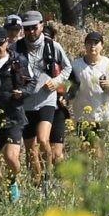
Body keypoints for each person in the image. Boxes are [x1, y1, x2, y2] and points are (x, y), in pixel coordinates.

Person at [16, 10, 71, 184]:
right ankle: (38, 183)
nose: (31, 32)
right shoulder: (16, 47)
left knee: (42, 139)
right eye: (27, 29)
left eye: (34, 27)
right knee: (30, 149)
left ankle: (49, 175)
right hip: (25, 102)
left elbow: (68, 68)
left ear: (42, 25)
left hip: (47, 99)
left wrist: (56, 81)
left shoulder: (52, 46)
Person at [0, 25, 31, 201]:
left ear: (7, 42)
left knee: (11, 157)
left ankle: (12, 182)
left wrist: (22, 92)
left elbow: (30, 82)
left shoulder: (18, 60)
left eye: (0, 44)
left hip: (14, 115)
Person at [68, 31, 109, 159]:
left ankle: (99, 171)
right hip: (82, 115)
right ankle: (87, 172)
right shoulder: (75, 65)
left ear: (102, 46)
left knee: (98, 150)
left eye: (96, 43)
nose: (92, 46)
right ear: (85, 46)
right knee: (84, 150)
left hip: (102, 116)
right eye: (89, 43)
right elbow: (69, 86)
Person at [42, 23, 70, 165]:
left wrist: (67, 97)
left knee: (57, 153)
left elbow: (73, 82)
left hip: (58, 107)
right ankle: (45, 176)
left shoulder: (60, 59)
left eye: (47, 39)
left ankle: (59, 177)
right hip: (40, 107)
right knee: (42, 146)